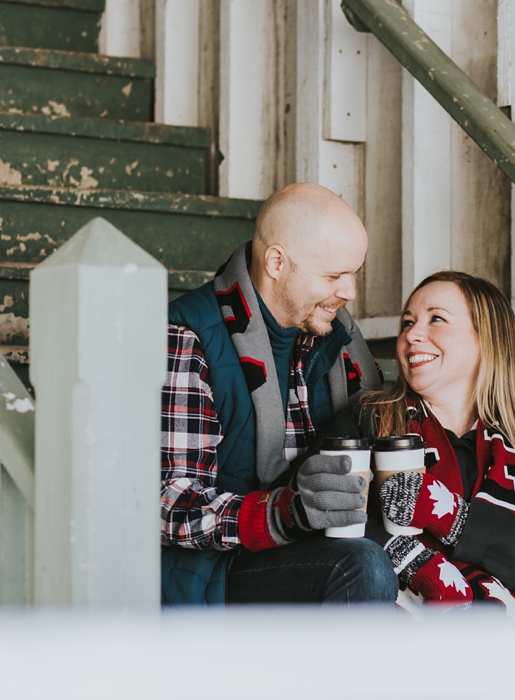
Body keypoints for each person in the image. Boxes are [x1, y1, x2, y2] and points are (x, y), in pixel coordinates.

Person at [160, 182, 398, 605]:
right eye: (334, 276)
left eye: (353, 274)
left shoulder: (337, 341)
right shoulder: (188, 336)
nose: (350, 293)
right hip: (215, 570)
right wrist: (281, 512)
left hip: (315, 547)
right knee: (362, 566)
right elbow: (170, 502)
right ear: (276, 262)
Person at [328, 270, 515, 617]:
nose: (411, 335)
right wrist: (421, 564)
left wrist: (455, 519)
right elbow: (328, 525)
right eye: (408, 323)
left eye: (436, 319)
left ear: (485, 341)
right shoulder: (367, 421)